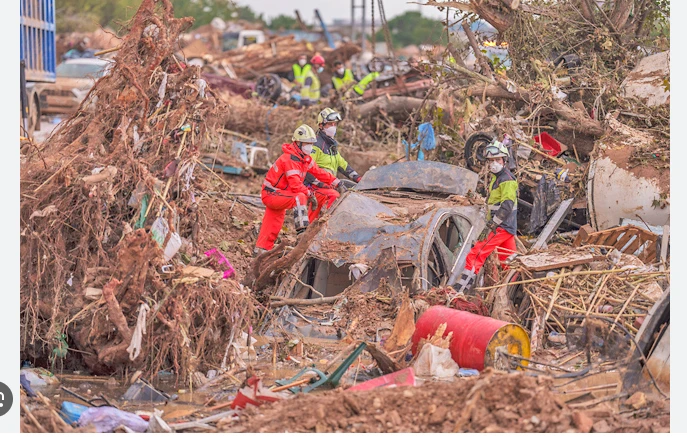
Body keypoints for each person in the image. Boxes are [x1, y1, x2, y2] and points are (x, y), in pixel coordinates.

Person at [255, 124, 346, 254]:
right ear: (297, 143)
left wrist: (336, 182)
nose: (309, 147)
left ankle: (260, 250)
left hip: (278, 194)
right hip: (272, 194)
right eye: (307, 143)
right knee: (300, 197)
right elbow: (296, 186)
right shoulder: (290, 159)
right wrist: (310, 194)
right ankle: (302, 233)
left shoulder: (304, 159)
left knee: (273, 224)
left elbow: (319, 172)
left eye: (311, 143)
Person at [452, 140, 518, 294]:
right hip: (506, 227)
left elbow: (507, 206)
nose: (494, 164)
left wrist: (491, 225)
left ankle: (459, 291)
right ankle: (514, 292)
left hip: (500, 226)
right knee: (509, 263)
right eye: (491, 161)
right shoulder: (497, 177)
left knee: (476, 254)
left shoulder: (506, 180)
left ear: (505, 161)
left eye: (497, 160)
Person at [305, 108, 362, 191]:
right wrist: (320, 184)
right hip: (318, 187)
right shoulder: (316, 145)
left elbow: (342, 165)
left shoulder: (331, 145)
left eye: (334, 124)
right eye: (330, 124)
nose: (333, 127)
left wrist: (358, 178)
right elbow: (307, 169)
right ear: (321, 125)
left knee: (356, 188)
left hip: (331, 183)